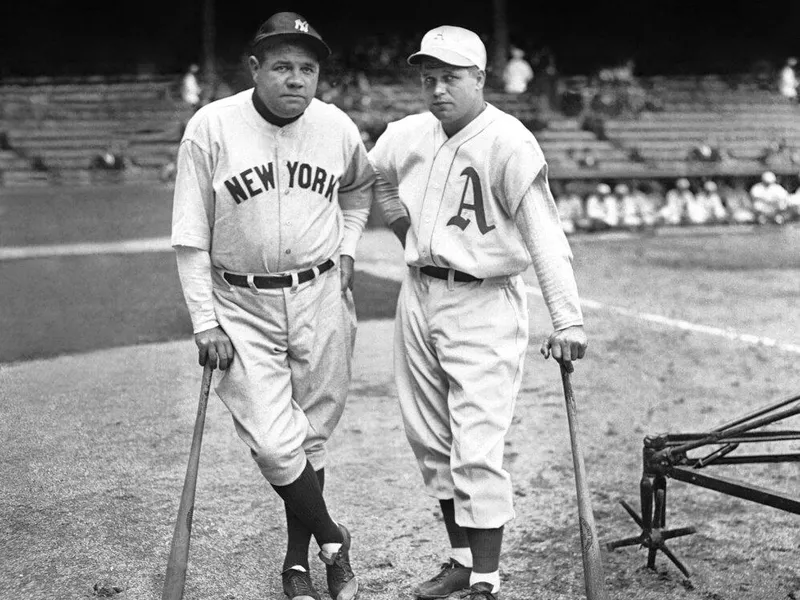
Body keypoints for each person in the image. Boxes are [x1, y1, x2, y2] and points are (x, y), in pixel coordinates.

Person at [368, 25, 587, 600]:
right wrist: (402, 228)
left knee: (476, 444)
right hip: (418, 293)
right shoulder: (408, 133)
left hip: (484, 300)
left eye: (452, 77)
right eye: (430, 78)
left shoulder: (509, 142)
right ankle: (462, 560)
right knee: (429, 437)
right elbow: (376, 179)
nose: (439, 89)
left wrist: (567, 320)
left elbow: (544, 235)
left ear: (481, 78)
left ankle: (486, 579)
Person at [170, 12, 375, 600]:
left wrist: (349, 247)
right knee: (273, 441)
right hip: (240, 300)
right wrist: (205, 321)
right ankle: (335, 540)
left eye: (307, 68)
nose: (296, 79)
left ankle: (298, 565)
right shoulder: (211, 127)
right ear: (254, 68)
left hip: (321, 294)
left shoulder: (334, 126)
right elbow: (189, 236)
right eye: (282, 66)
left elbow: (359, 187)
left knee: (309, 439)